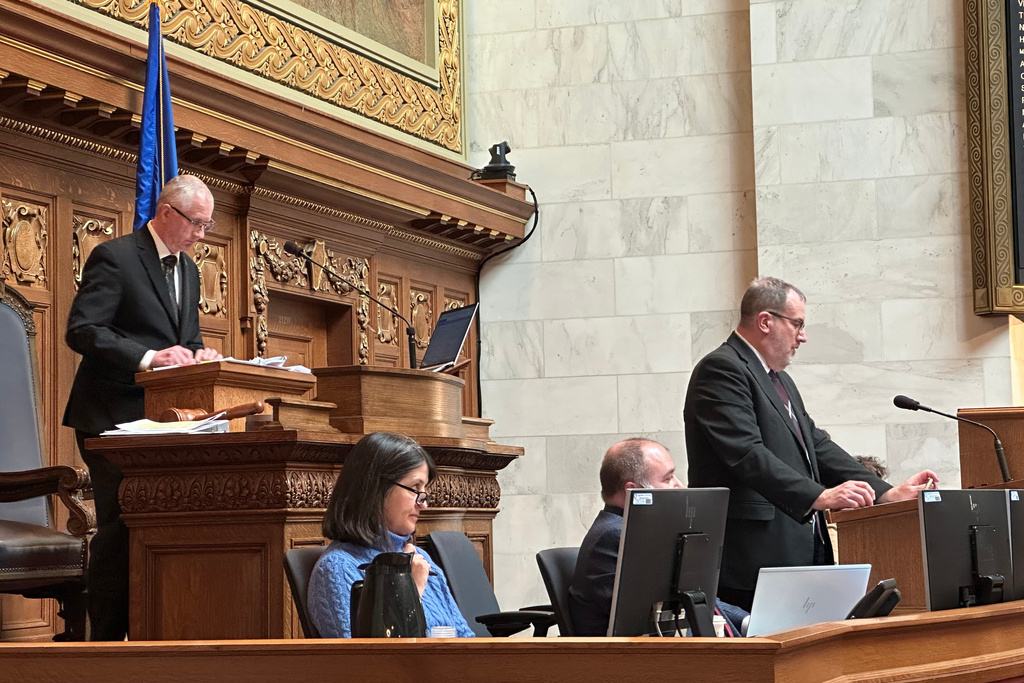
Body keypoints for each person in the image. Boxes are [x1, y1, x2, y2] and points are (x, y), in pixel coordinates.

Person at [684, 277, 937, 611]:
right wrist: (818, 496)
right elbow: (746, 453)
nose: (802, 336)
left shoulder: (780, 380)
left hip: (797, 548)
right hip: (750, 557)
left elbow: (816, 446)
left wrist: (884, 493)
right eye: (798, 324)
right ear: (765, 321)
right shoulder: (721, 369)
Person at [62, 174, 222, 640]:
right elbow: (83, 330)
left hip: (164, 419)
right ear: (166, 212)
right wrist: (150, 357)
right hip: (110, 417)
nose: (201, 235)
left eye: (207, 226)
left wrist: (200, 355)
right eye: (196, 223)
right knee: (120, 527)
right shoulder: (116, 257)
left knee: (162, 525)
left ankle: (154, 633)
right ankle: (107, 643)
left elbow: (185, 340)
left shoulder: (189, 270)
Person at [568, 438, 747, 636]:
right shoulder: (614, 536)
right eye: (668, 479)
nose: (680, 486)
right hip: (633, 653)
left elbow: (701, 599)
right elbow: (653, 619)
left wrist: (748, 622)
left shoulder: (640, 531)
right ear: (633, 491)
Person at [307, 431, 474, 638]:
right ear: (376, 489)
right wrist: (409, 591)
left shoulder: (421, 558)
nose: (423, 504)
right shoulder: (337, 568)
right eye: (415, 489)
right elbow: (368, 656)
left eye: (424, 491)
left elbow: (466, 638)